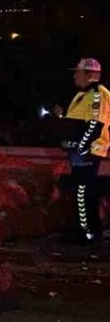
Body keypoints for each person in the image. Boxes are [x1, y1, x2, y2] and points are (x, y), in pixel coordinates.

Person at [59, 58, 110, 245]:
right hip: (80, 151)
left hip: (88, 152)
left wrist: (81, 147)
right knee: (80, 190)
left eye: (77, 72)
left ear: (90, 75)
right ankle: (83, 229)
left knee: (83, 191)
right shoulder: (84, 94)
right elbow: (77, 122)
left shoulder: (98, 94)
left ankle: (88, 233)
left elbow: (95, 125)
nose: (74, 76)